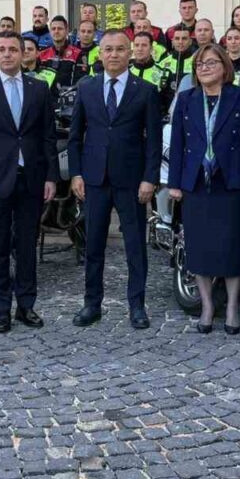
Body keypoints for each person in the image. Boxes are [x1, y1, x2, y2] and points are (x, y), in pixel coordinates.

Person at [67, 29, 163, 329]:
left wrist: (150, 178)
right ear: (100, 53)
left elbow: (154, 142)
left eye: (120, 49)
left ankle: (137, 306)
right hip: (94, 179)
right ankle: (91, 304)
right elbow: (74, 137)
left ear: (130, 52)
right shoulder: (87, 87)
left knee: (135, 246)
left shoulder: (145, 90)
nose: (113, 55)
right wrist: (76, 173)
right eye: (107, 49)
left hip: (132, 180)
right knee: (93, 245)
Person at [0, 31, 58, 333]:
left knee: (27, 244)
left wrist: (51, 177)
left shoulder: (39, 89)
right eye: (1, 49)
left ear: (23, 54)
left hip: (31, 178)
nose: (6, 54)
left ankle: (26, 305)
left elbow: (47, 136)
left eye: (13, 50)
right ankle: (1, 308)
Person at [167, 44, 240, 334]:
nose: (204, 68)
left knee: (231, 247)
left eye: (210, 63)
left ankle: (232, 307)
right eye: (199, 64)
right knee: (199, 248)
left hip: (229, 182)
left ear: (224, 67)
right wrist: (174, 184)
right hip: (195, 183)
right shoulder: (186, 99)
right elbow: (178, 144)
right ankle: (207, 306)